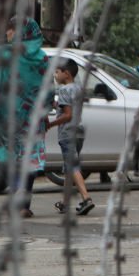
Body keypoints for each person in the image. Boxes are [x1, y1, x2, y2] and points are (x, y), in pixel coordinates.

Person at [0, 17, 50, 218]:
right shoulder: (42, 58)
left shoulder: (3, 53)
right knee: (29, 157)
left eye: (10, 30)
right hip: (32, 118)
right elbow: (49, 91)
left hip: (7, 117)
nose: (7, 34)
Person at [48, 58, 94, 216]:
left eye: (57, 72)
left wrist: (50, 125)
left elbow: (67, 115)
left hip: (67, 133)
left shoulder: (64, 90)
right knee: (68, 169)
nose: (55, 75)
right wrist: (55, 105)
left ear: (66, 74)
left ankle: (86, 198)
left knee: (72, 167)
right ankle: (65, 203)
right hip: (78, 131)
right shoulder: (77, 88)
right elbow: (68, 108)